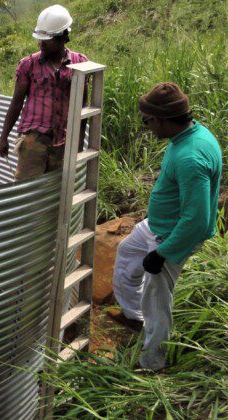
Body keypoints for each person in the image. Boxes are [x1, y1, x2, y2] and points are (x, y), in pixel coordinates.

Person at [111, 82, 223, 371]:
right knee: (126, 253)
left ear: (160, 119)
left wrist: (162, 254)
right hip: (158, 225)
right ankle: (134, 316)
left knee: (157, 302)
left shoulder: (190, 157)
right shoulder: (191, 135)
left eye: (147, 121)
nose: (146, 127)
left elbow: (197, 220)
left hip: (172, 236)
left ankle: (152, 363)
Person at [0, 4, 89, 180]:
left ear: (62, 37)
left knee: (57, 193)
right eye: (40, 39)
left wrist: (78, 146)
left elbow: (82, 107)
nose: (41, 43)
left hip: (64, 141)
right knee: (26, 192)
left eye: (47, 39)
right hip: (34, 142)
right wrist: (3, 137)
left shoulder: (79, 63)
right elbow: (16, 103)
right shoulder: (28, 65)